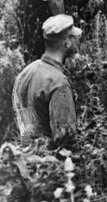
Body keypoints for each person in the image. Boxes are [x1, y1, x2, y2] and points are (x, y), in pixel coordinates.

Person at [12, 15, 81, 151]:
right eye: (73, 37)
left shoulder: (25, 73)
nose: (77, 41)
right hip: (50, 164)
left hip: (26, 158)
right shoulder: (58, 83)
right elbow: (66, 139)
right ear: (67, 42)